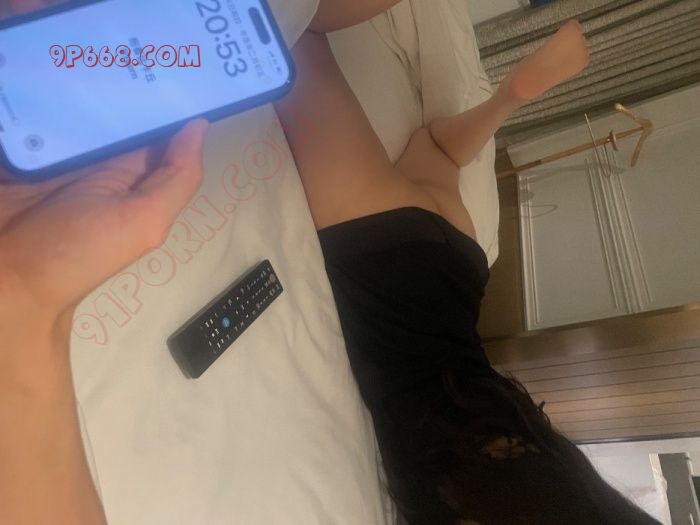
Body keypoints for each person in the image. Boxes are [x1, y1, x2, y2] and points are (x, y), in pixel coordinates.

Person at [0, 2, 660, 525]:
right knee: (279, 36)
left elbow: (421, 143)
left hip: (426, 274)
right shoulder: (520, 476)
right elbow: (430, 148)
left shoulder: (534, 468)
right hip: (428, 278)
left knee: (276, 37)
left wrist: (513, 95)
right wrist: (513, 94)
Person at [274, 2, 663, 524]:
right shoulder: (502, 494)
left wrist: (512, 95)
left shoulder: (568, 480)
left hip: (460, 266)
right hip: (396, 274)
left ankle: (513, 95)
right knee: (286, 33)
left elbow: (435, 147)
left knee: (421, 136)